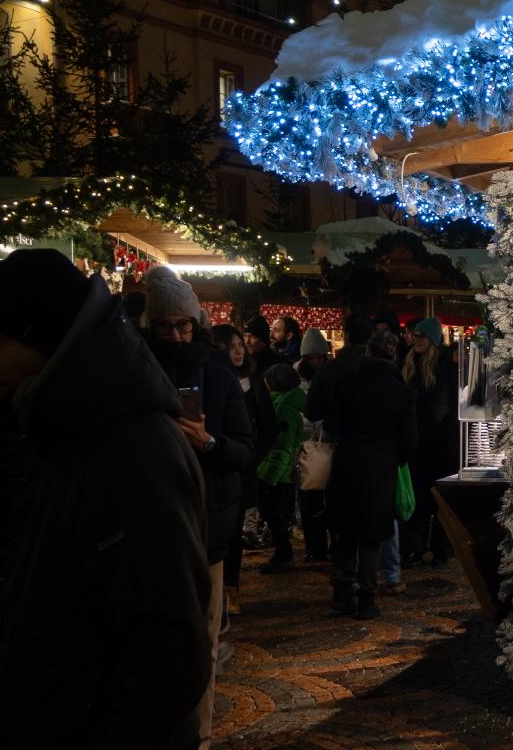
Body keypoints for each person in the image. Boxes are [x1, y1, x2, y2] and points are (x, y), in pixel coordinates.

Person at [0, 248, 210, 747]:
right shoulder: (69, 433)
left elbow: (167, 650)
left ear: (46, 341)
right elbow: (61, 574)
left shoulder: (129, 449)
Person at [142, 265, 253, 728]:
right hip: (149, 524)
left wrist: (208, 443)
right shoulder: (138, 374)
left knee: (204, 638)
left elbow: (245, 449)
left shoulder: (220, 378)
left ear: (197, 324)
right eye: (165, 327)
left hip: (208, 524)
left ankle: (199, 735)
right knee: (149, 640)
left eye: (183, 325)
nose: (176, 336)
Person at [306, 329, 416, 619]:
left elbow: (332, 424)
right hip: (381, 468)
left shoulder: (348, 383)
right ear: (393, 353)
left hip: (348, 463)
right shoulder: (401, 391)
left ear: (368, 350)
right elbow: (409, 440)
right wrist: (393, 456)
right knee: (372, 536)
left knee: (345, 531)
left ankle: (342, 594)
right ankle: (367, 598)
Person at [210, 323, 274, 615]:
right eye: (231, 346)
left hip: (244, 466)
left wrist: (252, 453)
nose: (237, 351)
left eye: (240, 345)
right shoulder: (213, 380)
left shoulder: (255, 381)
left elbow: (268, 425)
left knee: (234, 531)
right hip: (217, 463)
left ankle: (230, 590)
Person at [400, 317, 458, 565]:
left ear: (432, 339)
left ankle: (441, 548)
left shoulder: (446, 366)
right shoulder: (409, 363)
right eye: (414, 335)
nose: (416, 340)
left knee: (440, 499)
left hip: (441, 443)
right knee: (418, 497)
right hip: (418, 442)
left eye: (421, 336)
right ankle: (415, 546)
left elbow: (448, 405)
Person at [257, 361, 308, 574]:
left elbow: (282, 447)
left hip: (278, 475)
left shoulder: (284, 408)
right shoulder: (282, 403)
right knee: (275, 515)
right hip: (277, 473)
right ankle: (282, 554)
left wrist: (271, 477)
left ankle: (283, 556)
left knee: (276, 515)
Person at [295, 327, 334, 563]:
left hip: (326, 443)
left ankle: (327, 544)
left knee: (326, 498)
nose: (316, 361)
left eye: (320, 357)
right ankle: (315, 547)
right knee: (309, 496)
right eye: (312, 357)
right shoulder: (295, 376)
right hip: (306, 445)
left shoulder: (330, 373)